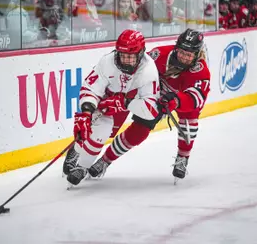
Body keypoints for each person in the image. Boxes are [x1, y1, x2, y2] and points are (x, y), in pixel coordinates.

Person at [88, 28, 211, 182]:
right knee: (138, 132)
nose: (183, 57)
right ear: (176, 47)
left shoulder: (201, 72)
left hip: (181, 98)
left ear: (197, 54)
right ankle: (105, 160)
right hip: (155, 95)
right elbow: (138, 70)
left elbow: (196, 99)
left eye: (189, 54)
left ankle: (183, 157)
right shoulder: (159, 54)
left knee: (189, 117)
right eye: (181, 51)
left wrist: (176, 100)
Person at [63, 29, 161, 186]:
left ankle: (80, 150)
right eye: (122, 56)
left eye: (130, 57)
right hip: (104, 97)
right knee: (100, 130)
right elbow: (91, 88)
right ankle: (81, 164)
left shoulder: (148, 71)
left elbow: (150, 110)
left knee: (107, 133)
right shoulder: (107, 61)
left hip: (126, 102)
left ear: (141, 54)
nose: (125, 61)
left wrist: (125, 103)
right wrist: (87, 113)